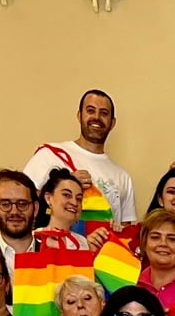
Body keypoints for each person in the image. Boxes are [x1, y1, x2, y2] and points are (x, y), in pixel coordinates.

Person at [24, 90, 136, 224]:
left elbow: (124, 232)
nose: (96, 117)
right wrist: (67, 183)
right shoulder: (49, 155)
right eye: (90, 110)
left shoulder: (123, 177)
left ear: (112, 123)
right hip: (53, 243)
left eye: (104, 113)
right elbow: (24, 203)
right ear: (79, 116)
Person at [32, 168, 100, 251]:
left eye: (79, 198)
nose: (74, 203)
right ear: (48, 198)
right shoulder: (33, 238)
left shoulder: (84, 244)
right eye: (67, 195)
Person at [0, 169, 38, 270]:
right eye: (5, 204)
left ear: (35, 208)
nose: (14, 212)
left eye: (22, 204)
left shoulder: (55, 256)